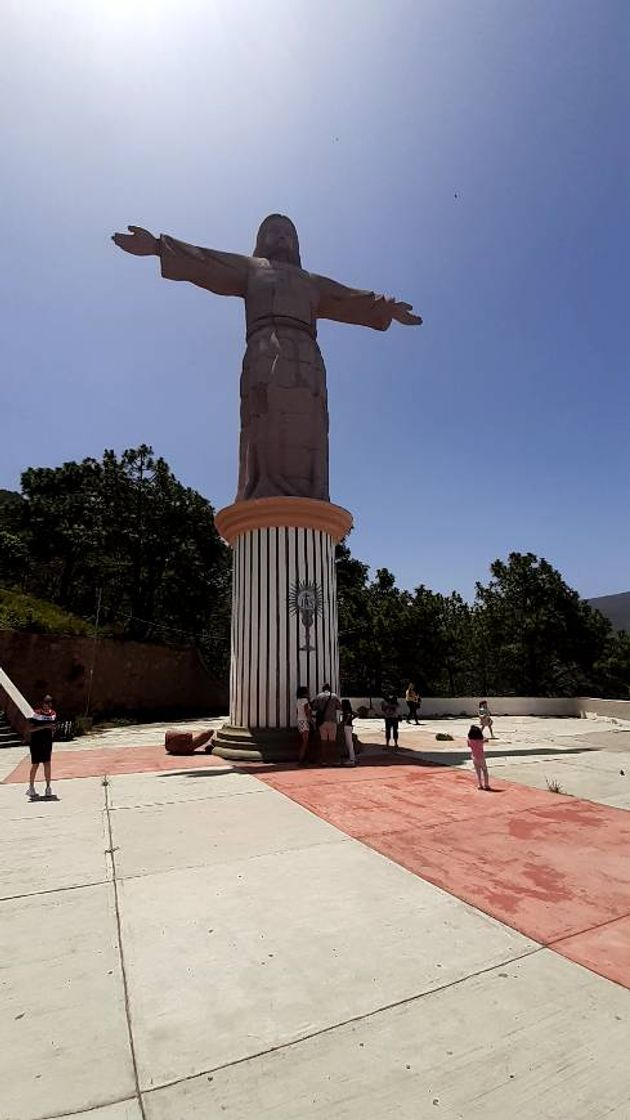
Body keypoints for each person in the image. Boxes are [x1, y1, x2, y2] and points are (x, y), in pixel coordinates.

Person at [26, 695, 57, 801]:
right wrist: (45, 727)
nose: (49, 705)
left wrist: (52, 730)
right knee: (35, 764)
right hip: (36, 742)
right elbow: (30, 729)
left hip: (47, 742)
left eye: (50, 703)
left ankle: (48, 787)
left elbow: (52, 726)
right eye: (47, 703)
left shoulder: (53, 714)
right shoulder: (37, 714)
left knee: (47, 763)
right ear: (43, 704)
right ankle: (31, 787)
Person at [312, 683, 341, 760]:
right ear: (330, 688)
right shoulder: (334, 696)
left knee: (323, 742)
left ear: (323, 689)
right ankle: (332, 759)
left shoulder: (319, 696)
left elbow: (314, 708)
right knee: (332, 742)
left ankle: (324, 760)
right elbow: (339, 707)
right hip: (332, 721)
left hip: (322, 722)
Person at [468, 724, 490, 790]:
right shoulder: (481, 741)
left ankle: (480, 785)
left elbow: (469, 744)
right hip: (481, 758)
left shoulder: (469, 741)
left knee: (478, 772)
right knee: (485, 771)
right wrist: (481, 735)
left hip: (474, 758)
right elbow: (486, 739)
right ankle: (486, 785)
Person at [296, 685, 313, 766]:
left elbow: (297, 712)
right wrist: (311, 721)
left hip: (299, 721)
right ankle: (301, 760)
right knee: (305, 742)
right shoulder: (305, 700)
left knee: (303, 741)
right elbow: (307, 712)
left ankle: (305, 759)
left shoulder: (298, 701)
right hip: (305, 721)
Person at [340, 699, 358, 766]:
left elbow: (348, 715)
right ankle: (353, 758)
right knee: (350, 743)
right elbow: (356, 714)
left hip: (347, 727)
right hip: (350, 726)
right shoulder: (349, 710)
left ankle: (352, 759)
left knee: (349, 743)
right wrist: (351, 719)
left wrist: (345, 722)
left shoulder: (346, 711)